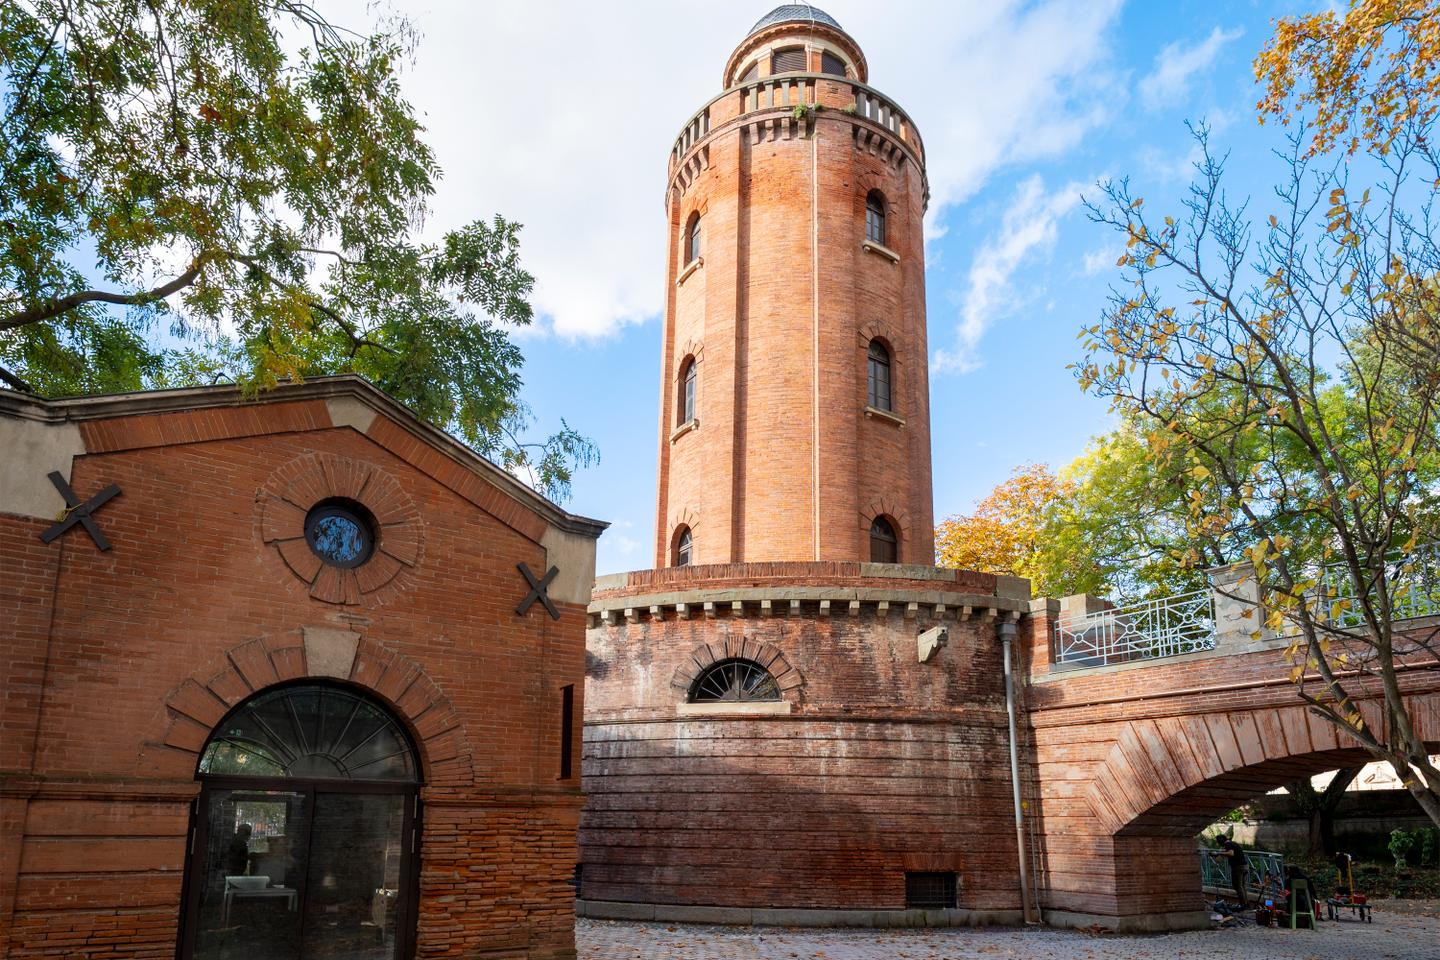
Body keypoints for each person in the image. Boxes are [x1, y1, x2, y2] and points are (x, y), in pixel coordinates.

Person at [1220, 837, 1248, 909]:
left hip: (1238, 867)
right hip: (1244, 866)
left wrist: (1218, 853)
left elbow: (1231, 853)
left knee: (1237, 886)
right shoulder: (1234, 843)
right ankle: (1246, 904)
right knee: (1243, 886)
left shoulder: (1228, 844)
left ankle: (1243, 905)